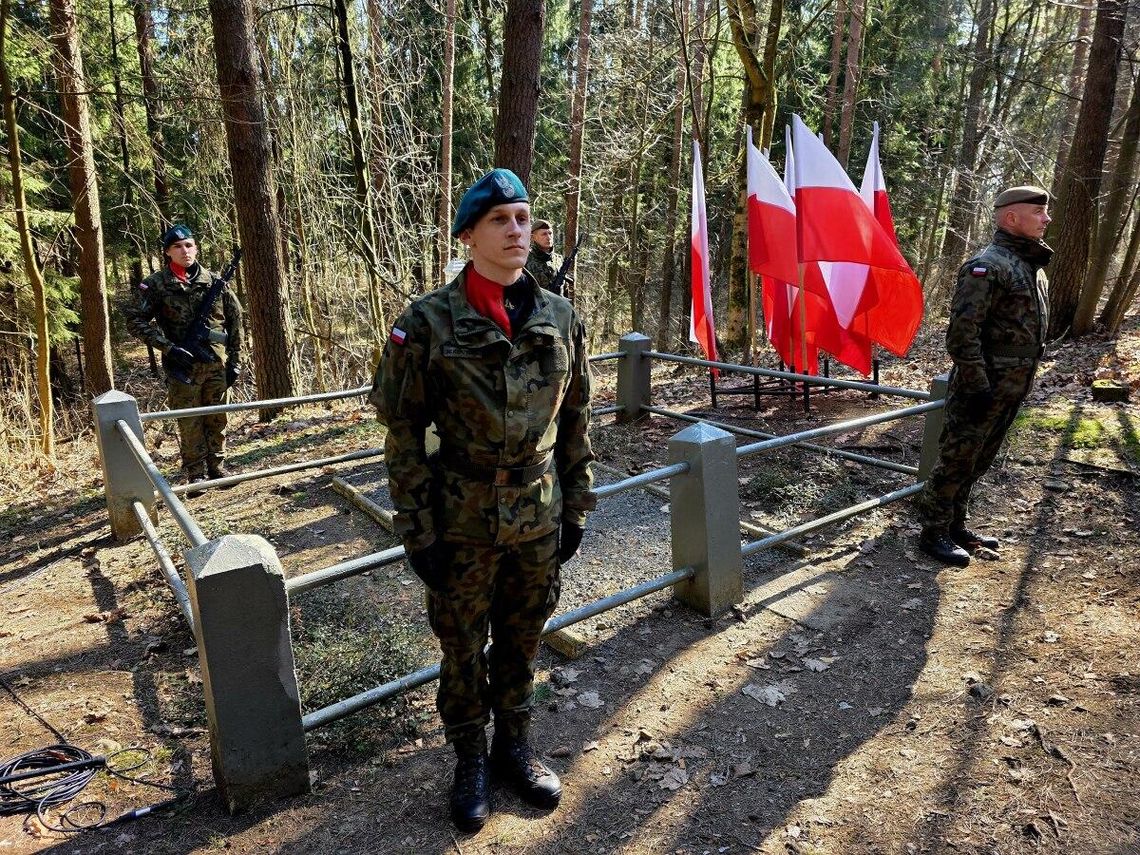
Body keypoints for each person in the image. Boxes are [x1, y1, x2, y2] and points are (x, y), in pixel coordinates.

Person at [369, 169, 595, 832]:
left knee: (523, 640)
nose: (516, 230)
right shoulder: (426, 322)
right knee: (462, 647)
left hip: (537, 514)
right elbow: (403, 433)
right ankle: (469, 757)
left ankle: (513, 749)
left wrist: (576, 506)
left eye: (523, 217)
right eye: (500, 220)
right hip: (460, 518)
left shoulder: (561, 317)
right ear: (469, 235)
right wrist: (417, 530)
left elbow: (577, 420)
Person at [916, 185, 1052, 567]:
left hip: (1012, 385)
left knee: (979, 460)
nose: (1046, 218)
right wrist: (978, 385)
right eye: (1038, 212)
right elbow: (963, 334)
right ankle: (933, 532)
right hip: (983, 385)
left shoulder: (1030, 266)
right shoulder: (987, 266)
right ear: (1011, 217)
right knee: (957, 458)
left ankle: (956, 525)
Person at [125, 225, 242, 490]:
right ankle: (196, 473)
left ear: (196, 248)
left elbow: (236, 321)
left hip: (216, 364)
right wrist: (168, 348)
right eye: (177, 247)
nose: (184, 251)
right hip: (182, 366)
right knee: (189, 420)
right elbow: (134, 320)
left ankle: (217, 467)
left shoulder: (214, 282)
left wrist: (236, 360)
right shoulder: (156, 284)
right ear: (168, 252)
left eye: (188, 245)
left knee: (217, 417)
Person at [525, 218, 566, 295]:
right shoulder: (525, 260)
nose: (548, 237)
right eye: (544, 234)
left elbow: (565, 289)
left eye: (550, 233)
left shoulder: (559, 260)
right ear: (533, 237)